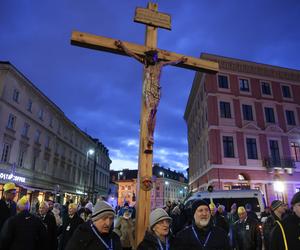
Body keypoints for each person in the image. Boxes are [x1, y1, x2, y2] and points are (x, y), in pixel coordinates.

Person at [115, 40, 187, 148]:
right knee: (150, 111)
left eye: (156, 57)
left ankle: (151, 134)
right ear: (150, 57)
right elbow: (132, 54)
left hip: (156, 90)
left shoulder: (160, 64)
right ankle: (149, 135)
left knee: (154, 112)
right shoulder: (145, 63)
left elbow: (172, 62)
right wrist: (122, 46)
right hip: (148, 89)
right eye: (154, 56)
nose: (155, 58)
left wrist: (180, 60)